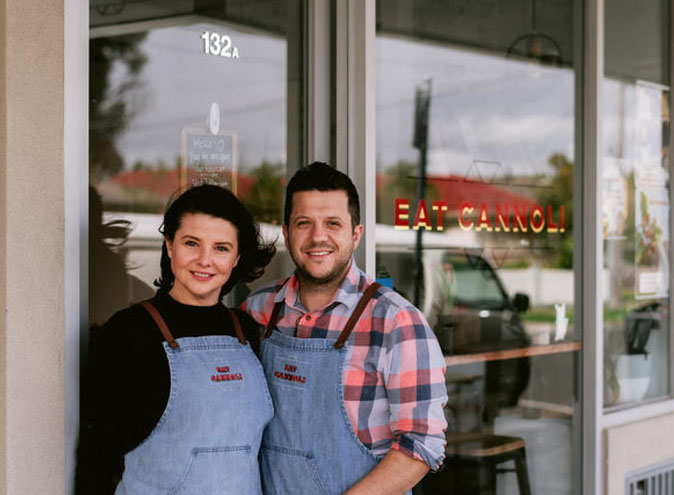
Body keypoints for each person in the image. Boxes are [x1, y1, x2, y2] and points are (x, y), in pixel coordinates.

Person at [244, 162, 447, 495]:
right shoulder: (257, 310)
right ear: (286, 232)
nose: (317, 237)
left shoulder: (397, 323)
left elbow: (422, 444)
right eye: (303, 223)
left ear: (356, 234)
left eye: (333, 224)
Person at [76, 185, 275, 495]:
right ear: (169, 245)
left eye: (221, 248)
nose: (204, 260)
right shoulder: (130, 333)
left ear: (236, 257)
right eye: (191, 243)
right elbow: (98, 455)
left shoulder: (247, 331)